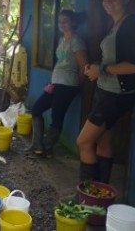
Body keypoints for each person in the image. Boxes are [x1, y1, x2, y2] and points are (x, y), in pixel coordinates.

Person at [77, 0, 135, 183]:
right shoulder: (116, 23)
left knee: (83, 142)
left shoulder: (131, 25)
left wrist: (102, 69)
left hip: (114, 95)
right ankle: (100, 195)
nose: (108, 2)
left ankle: (86, 196)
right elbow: (113, 59)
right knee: (103, 142)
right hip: (108, 92)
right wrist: (97, 66)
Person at [25, 10, 87, 157]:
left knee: (56, 117)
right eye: (59, 22)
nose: (62, 24)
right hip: (56, 83)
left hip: (68, 85)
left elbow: (84, 66)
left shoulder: (77, 41)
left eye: (65, 21)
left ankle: (45, 149)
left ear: (73, 22)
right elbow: (59, 63)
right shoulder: (62, 40)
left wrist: (77, 85)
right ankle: (37, 144)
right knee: (36, 109)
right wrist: (52, 81)